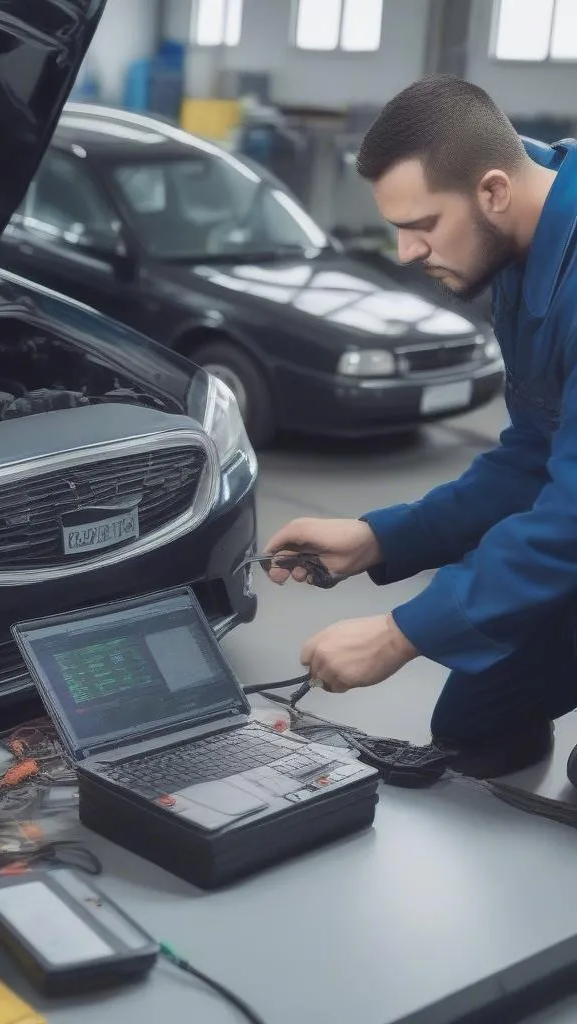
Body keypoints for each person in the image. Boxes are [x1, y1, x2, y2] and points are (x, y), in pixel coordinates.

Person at [265, 74, 577, 781]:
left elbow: (572, 515)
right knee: (475, 722)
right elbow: (535, 455)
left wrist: (400, 634)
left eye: (421, 225)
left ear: (493, 191)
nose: (406, 252)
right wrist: (382, 537)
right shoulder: (522, 247)